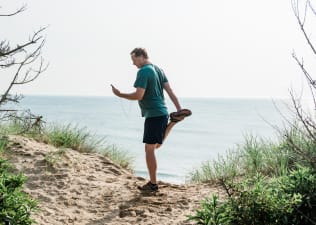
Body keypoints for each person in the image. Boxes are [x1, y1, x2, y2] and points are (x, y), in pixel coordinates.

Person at [111, 47, 182, 192]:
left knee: (149, 149)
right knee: (155, 145)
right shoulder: (158, 69)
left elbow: (138, 95)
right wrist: (179, 109)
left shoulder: (143, 71)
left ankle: (153, 184)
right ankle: (173, 121)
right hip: (162, 112)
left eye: (134, 60)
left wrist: (120, 95)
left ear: (142, 56)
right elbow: (170, 91)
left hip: (154, 114)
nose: (133, 64)